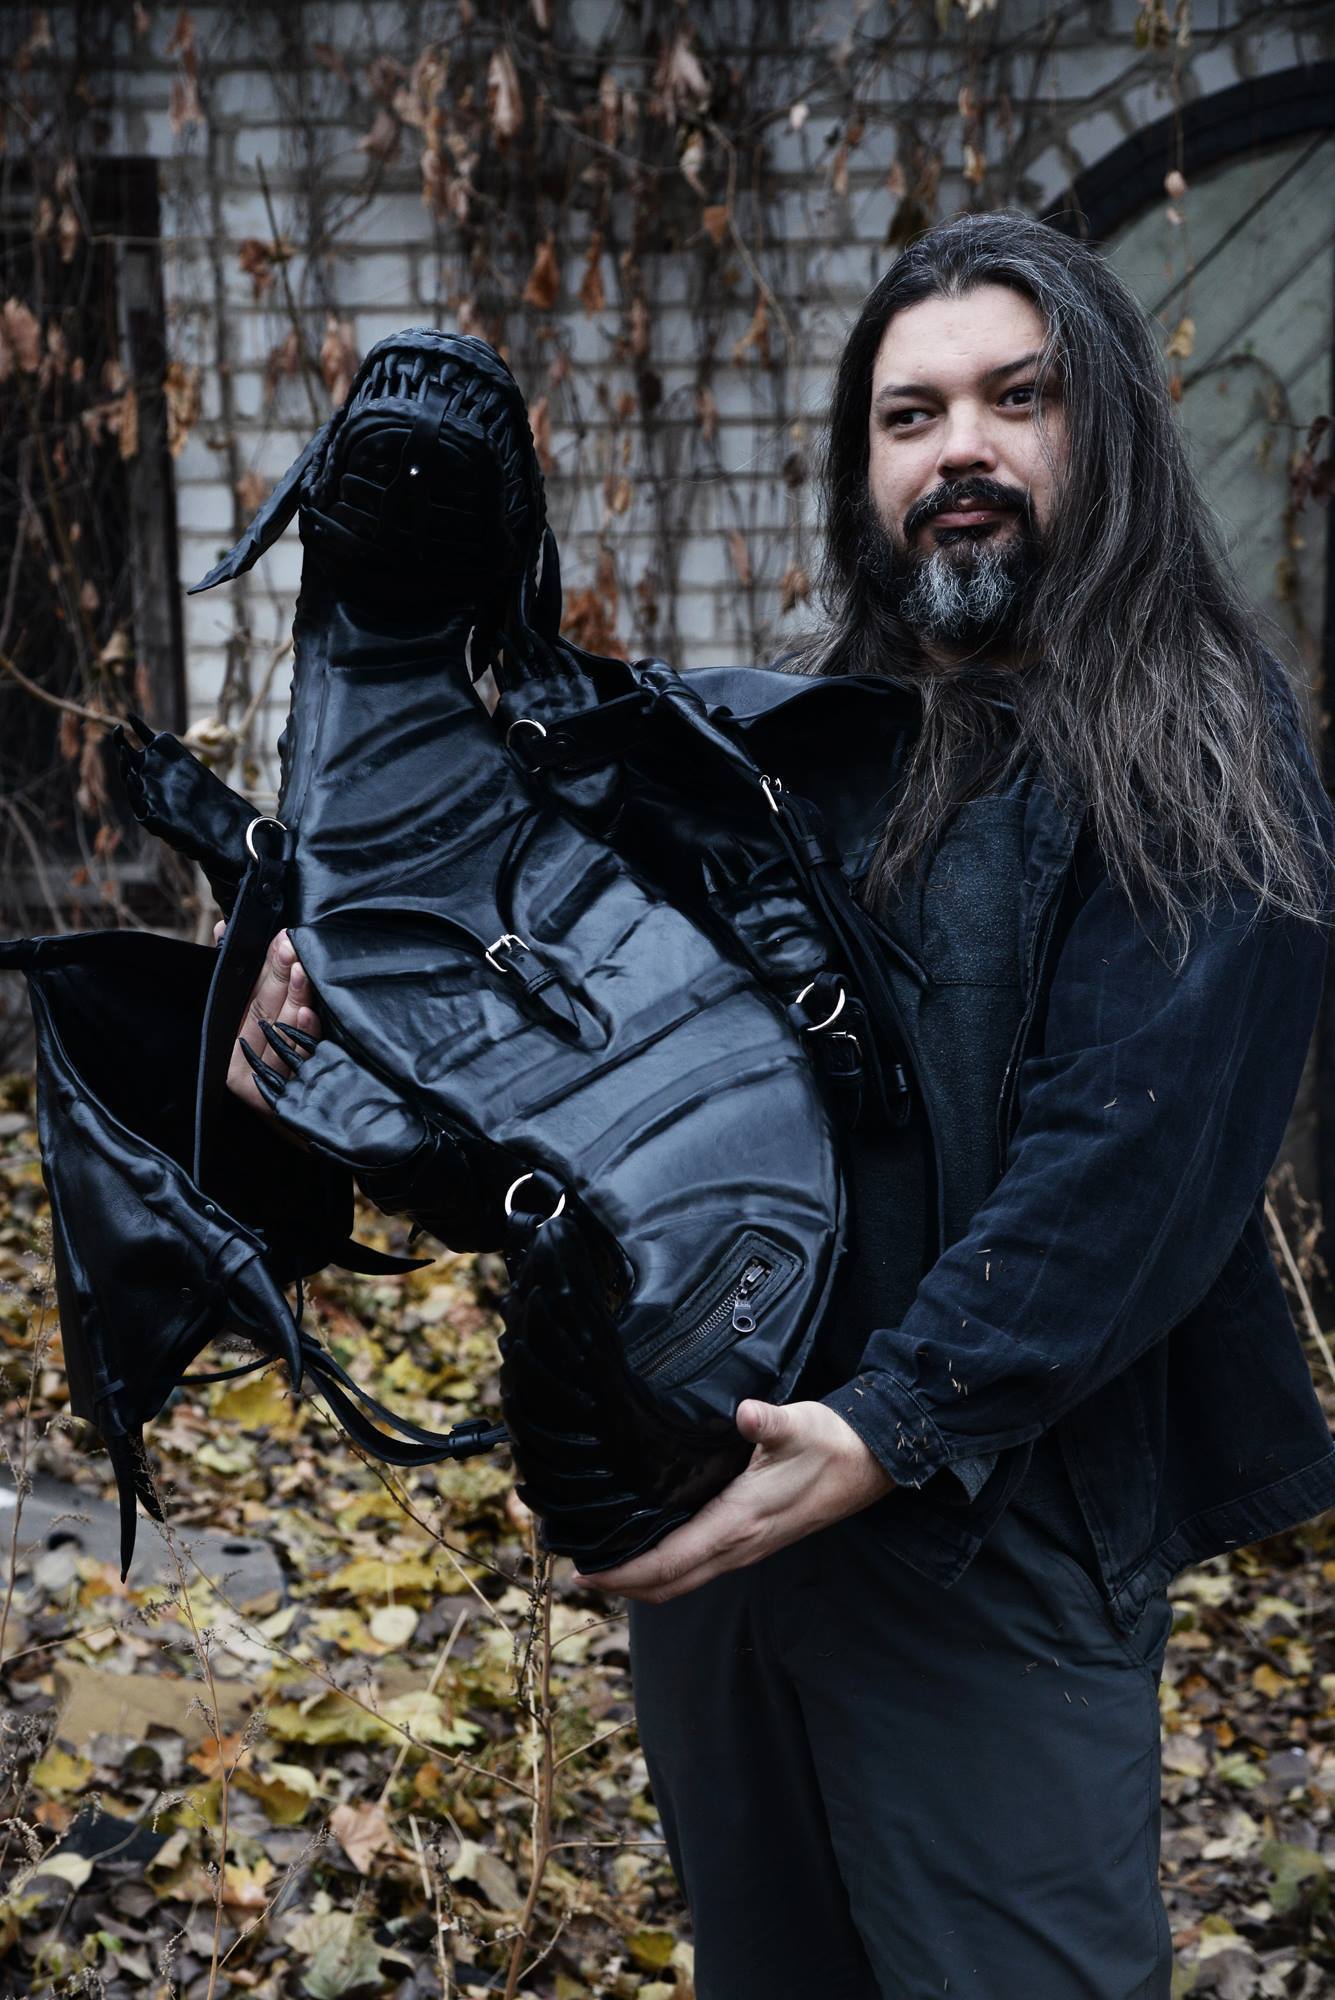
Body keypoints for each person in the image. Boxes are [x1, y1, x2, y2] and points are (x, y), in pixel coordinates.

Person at [230, 213, 1335, 1998]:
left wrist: (893, 1421)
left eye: (1017, 398)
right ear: (862, 466)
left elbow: (1135, 1155)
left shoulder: (1199, 745)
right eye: (910, 415)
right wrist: (328, 1052)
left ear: (1111, 431)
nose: (960, 449)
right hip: (732, 1508)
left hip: (990, 1540)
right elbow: (603, 1119)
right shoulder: (777, 758)